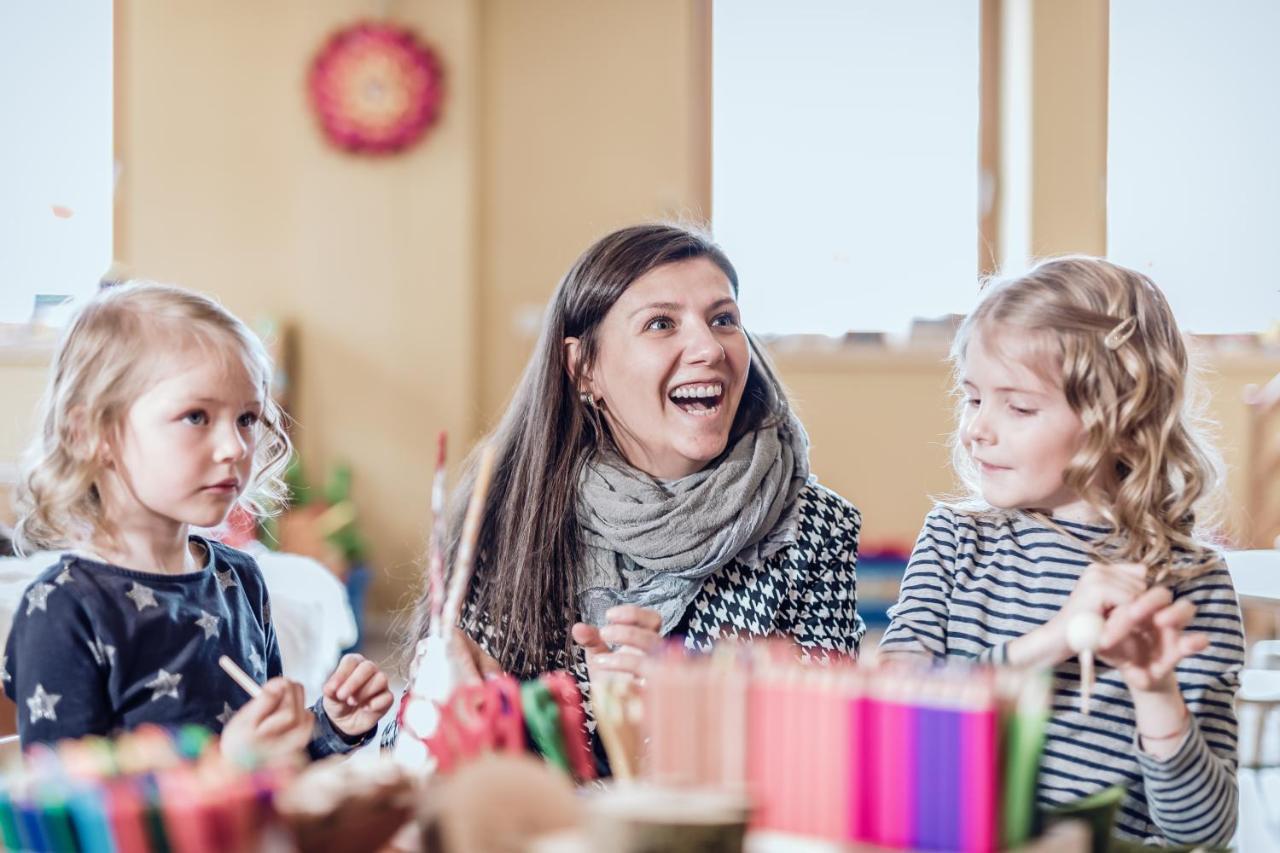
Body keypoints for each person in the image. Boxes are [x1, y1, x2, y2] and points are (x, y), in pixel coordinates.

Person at [409, 222, 865, 693]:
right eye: (661, 323)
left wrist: (680, 711)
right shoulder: (512, 516)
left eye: (723, 319)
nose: (709, 348)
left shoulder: (814, 525)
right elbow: (413, 738)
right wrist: (444, 711)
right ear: (584, 369)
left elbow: (831, 744)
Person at [880, 257, 1242, 846]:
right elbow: (895, 722)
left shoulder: (1189, 581)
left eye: (1018, 407)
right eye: (973, 399)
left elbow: (1203, 831)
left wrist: (1157, 693)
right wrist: (1054, 640)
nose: (977, 429)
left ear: (1120, 420)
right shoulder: (954, 536)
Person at [6, 282, 393, 759]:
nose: (235, 447)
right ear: (93, 434)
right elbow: (68, 816)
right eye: (196, 416)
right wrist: (228, 765)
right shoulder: (64, 611)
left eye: (248, 418)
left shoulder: (241, 579)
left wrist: (331, 727)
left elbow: (274, 764)